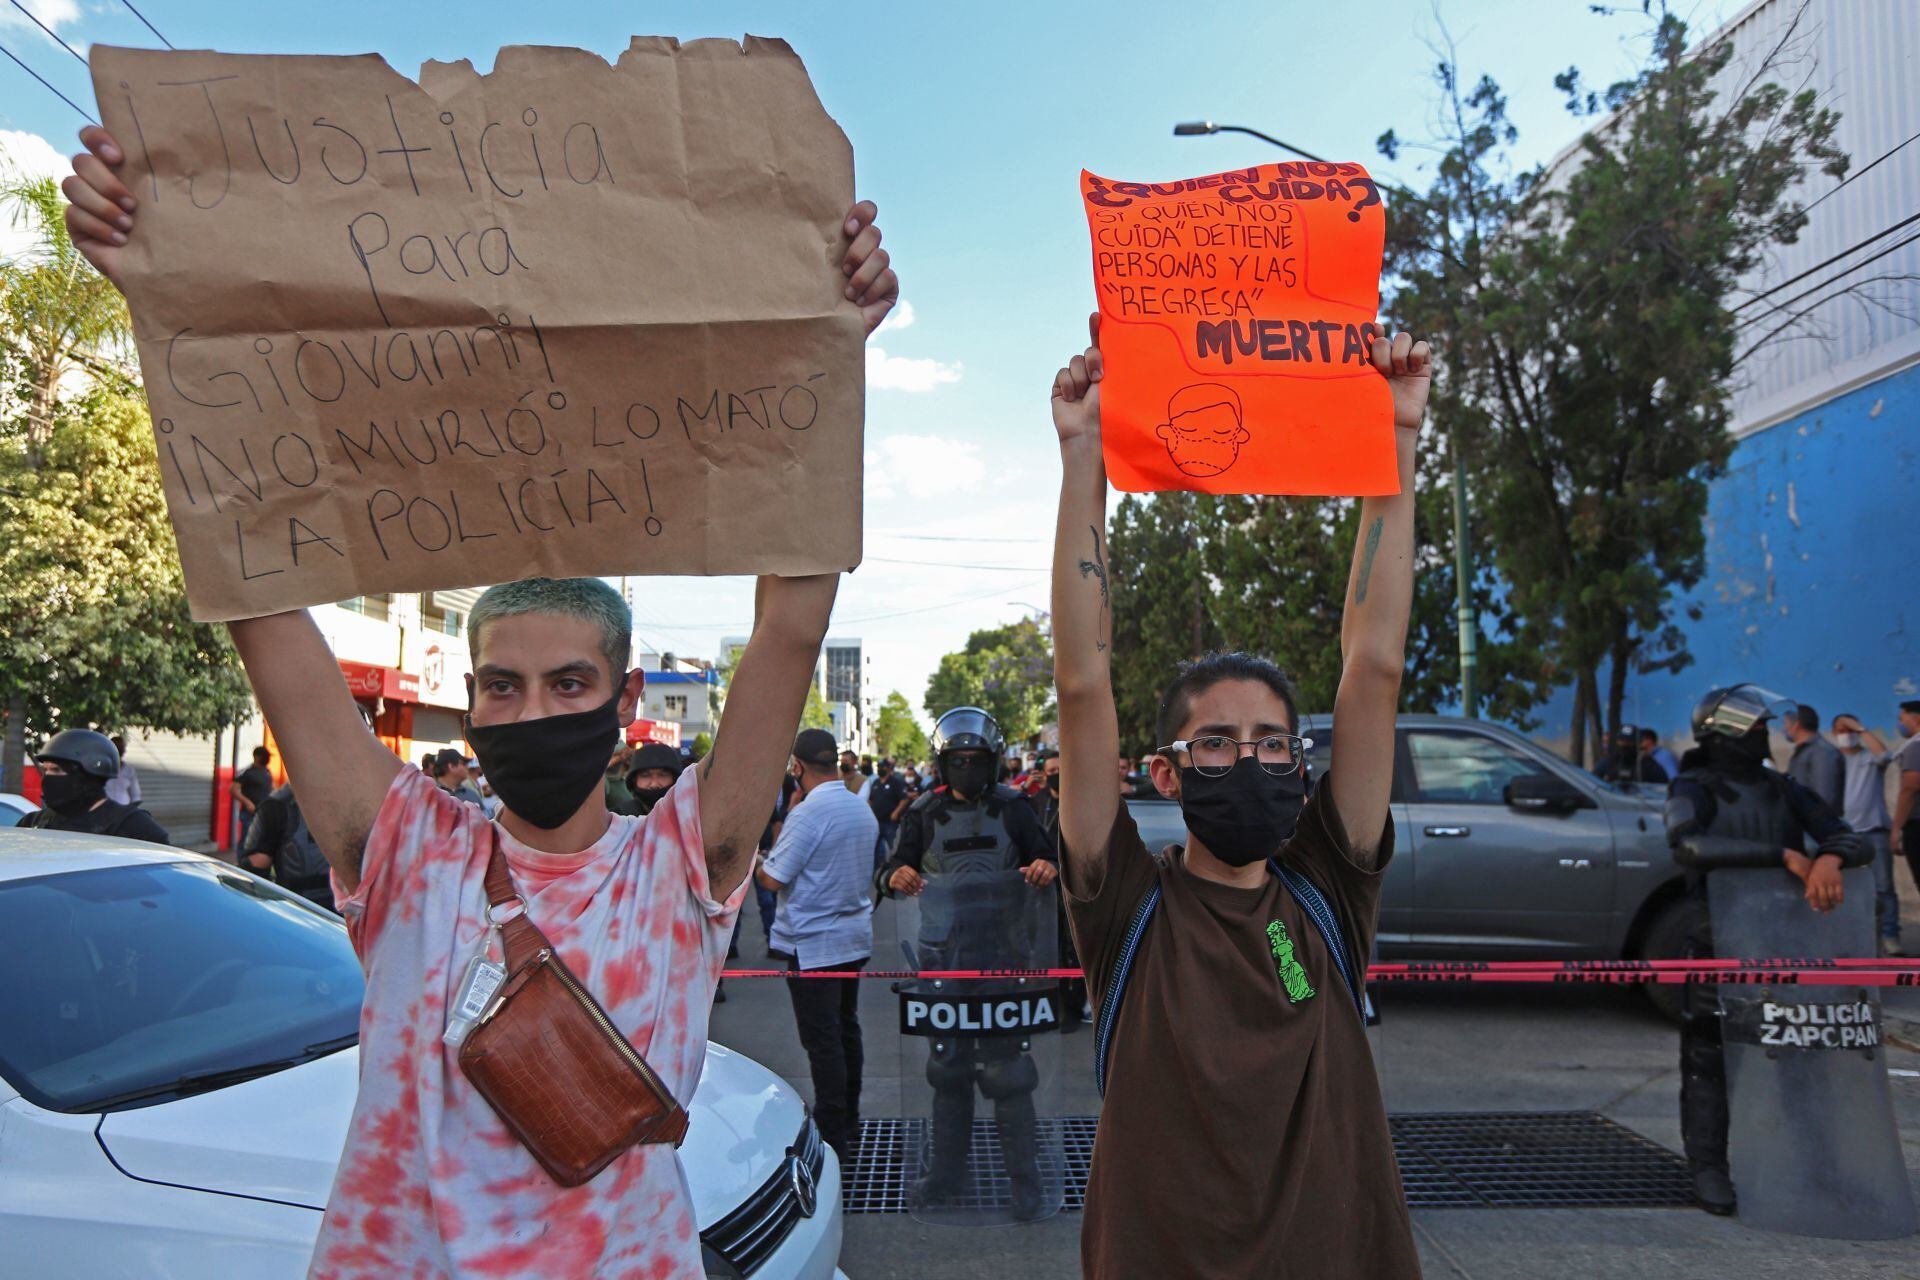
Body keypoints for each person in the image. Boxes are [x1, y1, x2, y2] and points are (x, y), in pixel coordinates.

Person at [60, 120, 899, 1277]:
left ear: (625, 696)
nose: (530, 709)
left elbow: (792, 623)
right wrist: (161, 299)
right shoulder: (407, 845)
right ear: (469, 697)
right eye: (502, 684)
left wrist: (828, 351)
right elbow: (263, 605)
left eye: (568, 682)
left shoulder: (679, 864)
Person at [1047, 315, 1428, 1278]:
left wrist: (1397, 434)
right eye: (1217, 742)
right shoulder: (1126, 906)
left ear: (1301, 765)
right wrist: (1084, 456)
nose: (1250, 760)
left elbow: (1374, 665)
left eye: (1272, 742)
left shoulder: (1327, 889)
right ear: (1165, 773)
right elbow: (1082, 685)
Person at [1663, 683, 1861, 1215]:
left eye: (1763, 726)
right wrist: (1783, 855)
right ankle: (1709, 1167)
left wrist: (1830, 858)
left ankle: (1817, 1166)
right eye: (1753, 726)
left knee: (1801, 1058)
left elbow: (1847, 835)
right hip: (1717, 941)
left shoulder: (1783, 787)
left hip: (1784, 943)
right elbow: (1688, 843)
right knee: (1709, 1060)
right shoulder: (1692, 786)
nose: (1762, 733)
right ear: (1723, 734)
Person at [877, 706, 1058, 1219]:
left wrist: (1045, 867)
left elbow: (1048, 857)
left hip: (1005, 958)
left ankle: (1025, 1183)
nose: (967, 766)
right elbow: (890, 869)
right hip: (944, 961)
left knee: (1009, 1074)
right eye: (958, 760)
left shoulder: (1015, 808)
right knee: (948, 1072)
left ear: (993, 760)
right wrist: (894, 877)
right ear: (942, 763)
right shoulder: (923, 812)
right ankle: (945, 1178)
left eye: (976, 758)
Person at [755, 727, 877, 1164]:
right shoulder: (859, 807)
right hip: (852, 938)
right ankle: (850, 1119)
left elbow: (773, 879)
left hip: (812, 944)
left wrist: (759, 862)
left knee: (823, 1042)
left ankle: (834, 1134)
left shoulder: (808, 814)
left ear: (798, 767)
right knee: (846, 1029)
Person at [1830, 713, 1901, 954]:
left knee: (1884, 887)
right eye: (1840, 730)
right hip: (1844, 835)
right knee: (1847, 889)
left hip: (1874, 832)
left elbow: (1885, 755)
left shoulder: (1868, 757)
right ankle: (1855, 939)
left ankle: (1890, 936)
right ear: (1833, 733)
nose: (1845, 734)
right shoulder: (1833, 759)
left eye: (1848, 729)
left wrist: (1860, 729)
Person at [25, 729, 170, 845]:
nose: (48, 778)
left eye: (56, 770)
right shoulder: (33, 823)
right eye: (45, 770)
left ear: (87, 775)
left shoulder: (134, 827)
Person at [241, 780, 335, 910]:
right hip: (344, 910)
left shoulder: (276, 805)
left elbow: (255, 866)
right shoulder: (352, 799)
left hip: (296, 908)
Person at [1784, 704, 1844, 811]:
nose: (1784, 728)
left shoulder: (1823, 752)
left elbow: (1824, 798)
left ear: (1796, 724)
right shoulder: (1804, 750)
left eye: (1785, 724)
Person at [1894, 701, 1920, 894]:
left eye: (1901, 719)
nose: (1899, 724)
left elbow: (1910, 787)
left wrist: (1896, 828)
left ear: (1916, 719)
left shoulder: (1915, 747)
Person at [866, 757, 909, 868]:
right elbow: (870, 800)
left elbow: (904, 799)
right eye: (879, 767)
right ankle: (877, 870)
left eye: (883, 767)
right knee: (874, 849)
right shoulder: (875, 782)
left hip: (890, 822)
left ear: (889, 768)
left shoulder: (895, 782)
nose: (880, 769)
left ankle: (898, 869)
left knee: (894, 848)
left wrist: (896, 812)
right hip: (876, 821)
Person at [625, 742, 684, 815]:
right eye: (645, 775)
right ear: (634, 780)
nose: (654, 784)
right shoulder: (619, 817)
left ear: (675, 779)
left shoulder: (689, 815)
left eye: (663, 775)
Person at [232, 745, 275, 844]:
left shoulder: (267, 771)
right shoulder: (247, 772)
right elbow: (233, 790)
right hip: (250, 813)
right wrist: (248, 803)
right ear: (256, 757)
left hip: (264, 813)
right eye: (265, 756)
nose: (267, 759)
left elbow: (272, 789)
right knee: (247, 842)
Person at [104, 734, 142, 806]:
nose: (119, 751)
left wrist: (134, 809)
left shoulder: (129, 770)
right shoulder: (102, 768)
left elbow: (135, 795)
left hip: (123, 808)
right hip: (105, 808)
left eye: (121, 748)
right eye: (117, 748)